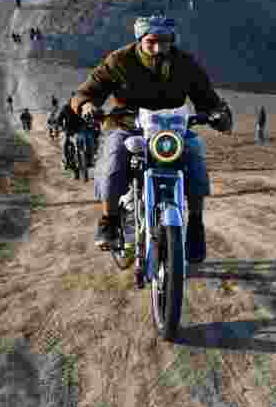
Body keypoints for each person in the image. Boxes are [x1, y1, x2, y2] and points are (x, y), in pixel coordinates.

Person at [71, 15, 233, 261]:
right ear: (140, 40)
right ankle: (109, 220)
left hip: (172, 130)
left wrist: (218, 114)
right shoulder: (118, 61)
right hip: (129, 127)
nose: (159, 48)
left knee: (195, 154)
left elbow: (207, 98)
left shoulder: (185, 63)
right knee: (113, 158)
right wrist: (86, 106)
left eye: (165, 42)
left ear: (172, 41)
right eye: (151, 42)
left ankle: (196, 225)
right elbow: (87, 92)